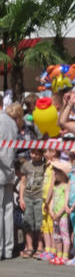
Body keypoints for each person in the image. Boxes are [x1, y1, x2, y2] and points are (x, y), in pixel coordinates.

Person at [0, 101, 22, 259]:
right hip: (8, 170)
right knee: (7, 211)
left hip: (2, 168)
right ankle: (7, 249)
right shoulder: (12, 122)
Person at [17, 147, 45, 258]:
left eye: (36, 153)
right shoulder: (26, 165)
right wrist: (21, 198)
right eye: (31, 152)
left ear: (41, 153)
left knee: (39, 223)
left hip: (40, 197)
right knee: (28, 222)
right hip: (28, 197)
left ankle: (40, 246)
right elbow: (23, 182)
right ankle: (29, 247)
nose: (33, 155)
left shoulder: (45, 165)